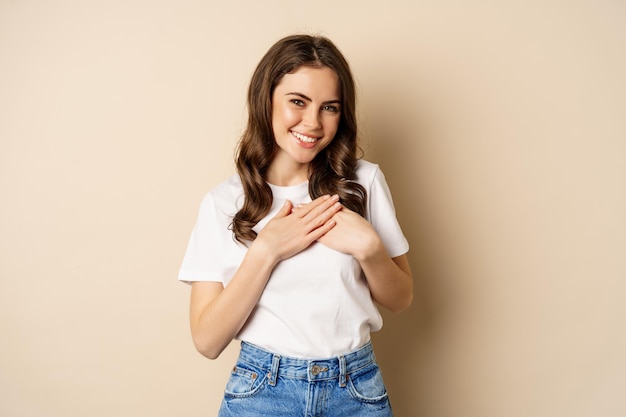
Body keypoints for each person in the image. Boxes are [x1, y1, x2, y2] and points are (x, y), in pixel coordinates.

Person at [178, 34, 413, 417]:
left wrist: (369, 249)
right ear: (265, 99)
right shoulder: (223, 203)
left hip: (354, 389)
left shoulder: (363, 183)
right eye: (298, 102)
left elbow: (401, 298)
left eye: (330, 107)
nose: (313, 122)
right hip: (260, 392)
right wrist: (267, 251)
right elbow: (207, 341)